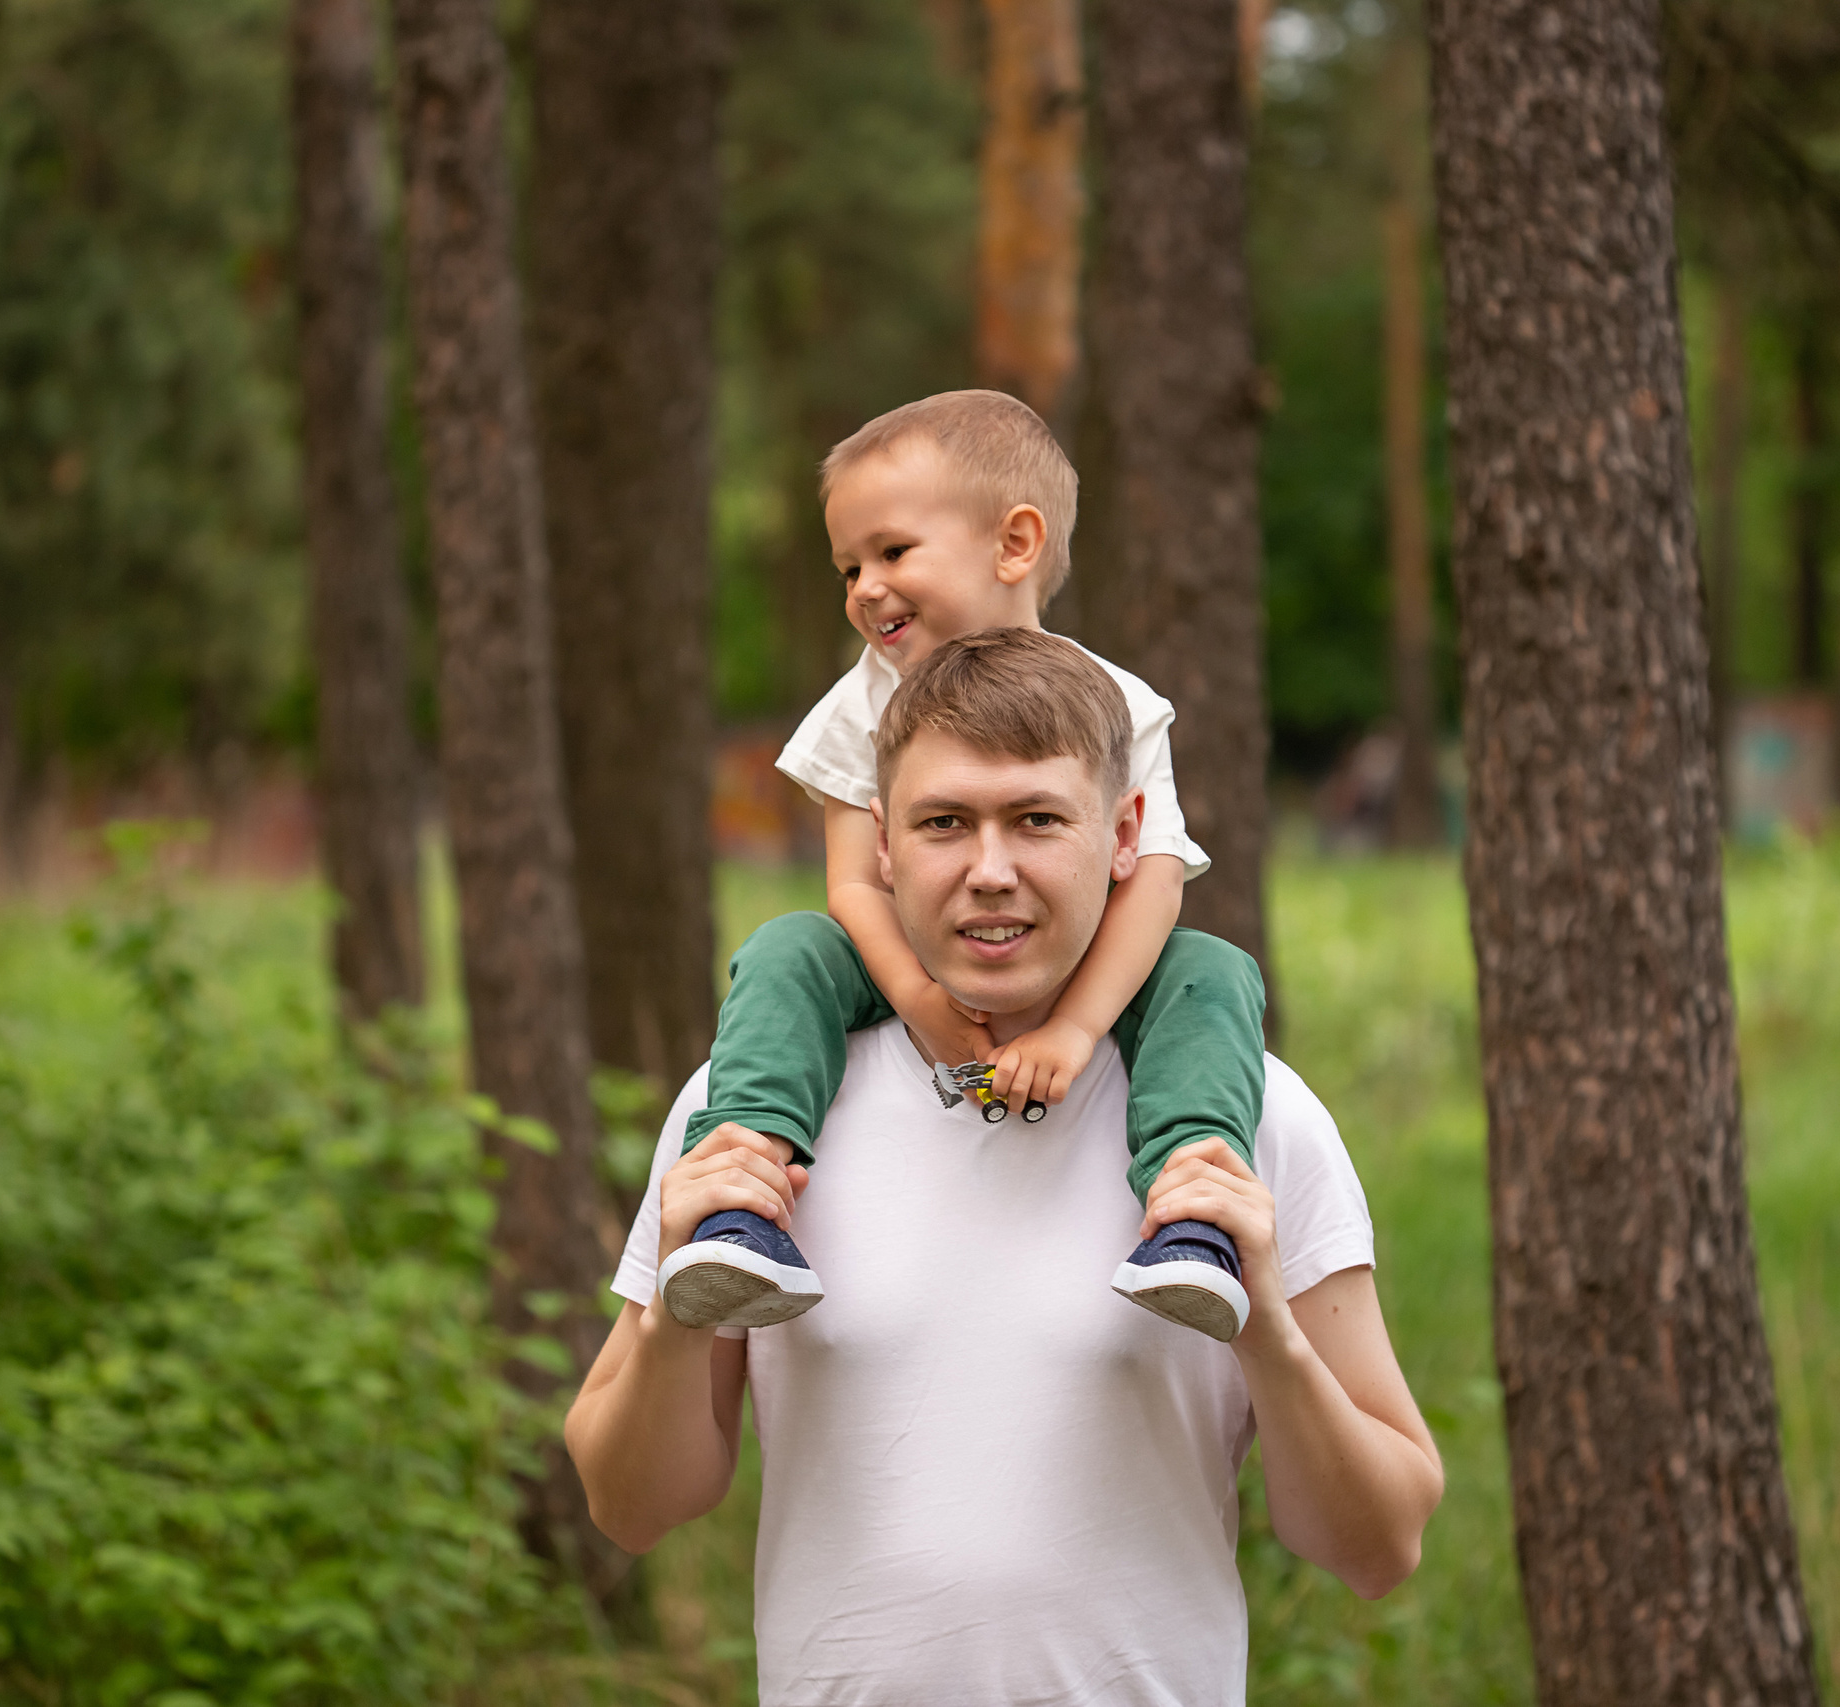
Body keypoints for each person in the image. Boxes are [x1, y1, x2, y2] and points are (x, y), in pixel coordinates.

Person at [567, 630, 1443, 1705]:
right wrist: (672, 1321)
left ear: (1124, 833)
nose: (990, 871)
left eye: (1036, 819)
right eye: (944, 824)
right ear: (881, 844)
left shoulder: (1248, 1120)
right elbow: (631, 1506)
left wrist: (1267, 1329)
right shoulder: (749, 1112)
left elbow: (1379, 1546)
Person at [658, 390, 1269, 1341]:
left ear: (1014, 544)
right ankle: (742, 1192)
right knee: (788, 951)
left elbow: (1152, 874)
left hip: (1081, 951)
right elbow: (859, 883)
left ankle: (1194, 1206)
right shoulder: (858, 709)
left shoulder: (1113, 702)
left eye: (893, 552)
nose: (864, 585)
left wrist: (1073, 1030)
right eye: (848, 565)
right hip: (914, 948)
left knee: (1212, 971)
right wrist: (917, 998)